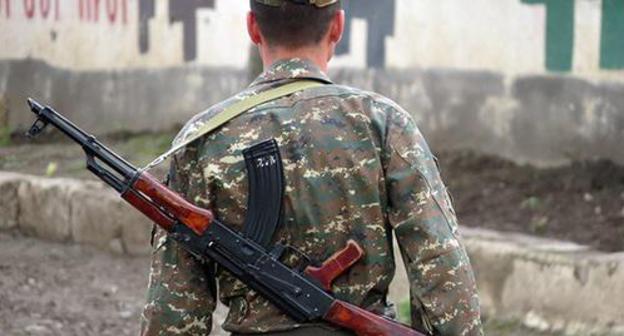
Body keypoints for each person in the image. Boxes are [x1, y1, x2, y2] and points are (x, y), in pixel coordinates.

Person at [140, 1, 483, 335]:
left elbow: (175, 306)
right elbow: (441, 268)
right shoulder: (383, 123)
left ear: (252, 27)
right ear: (338, 27)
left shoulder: (204, 137)